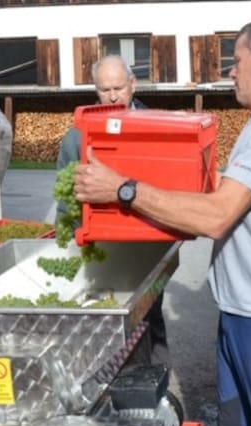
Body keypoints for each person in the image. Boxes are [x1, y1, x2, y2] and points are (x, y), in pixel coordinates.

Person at [74, 17, 251, 426]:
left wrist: (123, 189)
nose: (231, 71)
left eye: (237, 59)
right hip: (241, 313)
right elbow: (215, 205)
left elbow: (215, 217)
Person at [55, 55, 168, 365]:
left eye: (119, 87)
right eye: (105, 90)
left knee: (148, 313)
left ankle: (154, 381)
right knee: (104, 320)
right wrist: (67, 243)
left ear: (133, 84)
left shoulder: (157, 126)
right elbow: (66, 202)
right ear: (96, 90)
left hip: (145, 242)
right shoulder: (76, 138)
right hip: (102, 245)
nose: (113, 96)